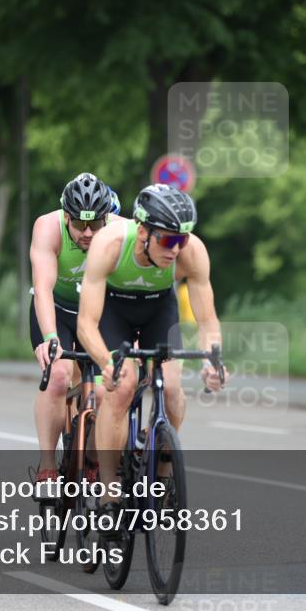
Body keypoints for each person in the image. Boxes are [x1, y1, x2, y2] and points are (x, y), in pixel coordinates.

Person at [76, 184, 227, 519]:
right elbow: (86, 323)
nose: (176, 249)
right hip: (114, 310)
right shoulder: (110, 244)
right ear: (143, 231)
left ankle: (162, 476)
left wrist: (212, 360)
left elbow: (207, 320)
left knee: (171, 389)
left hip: (159, 308)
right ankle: (109, 491)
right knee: (122, 387)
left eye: (181, 239)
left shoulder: (192, 252)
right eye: (167, 240)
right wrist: (106, 364)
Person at [29, 173, 118, 486]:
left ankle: (92, 456)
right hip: (57, 310)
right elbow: (42, 288)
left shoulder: (121, 232)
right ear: (66, 216)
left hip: (99, 313)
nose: (88, 232)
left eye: (96, 224)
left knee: (107, 389)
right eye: (80, 224)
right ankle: (47, 466)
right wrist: (50, 338)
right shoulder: (47, 228)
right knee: (58, 375)